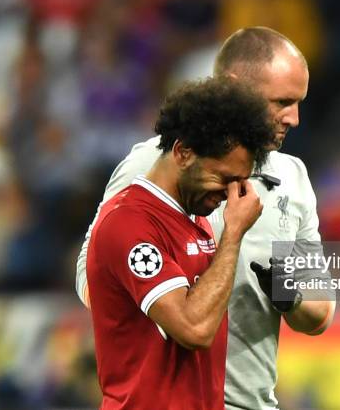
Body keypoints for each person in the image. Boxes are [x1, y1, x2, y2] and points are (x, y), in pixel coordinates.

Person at [78, 27, 336, 409]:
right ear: (236, 87)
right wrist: (168, 300)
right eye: (282, 101)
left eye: (299, 102)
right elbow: (92, 277)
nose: (294, 118)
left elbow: (320, 311)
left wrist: (288, 293)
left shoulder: (292, 178)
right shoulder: (156, 164)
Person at [87, 77, 274, 409]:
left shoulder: (196, 216)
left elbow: (318, 315)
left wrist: (295, 293)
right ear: (183, 152)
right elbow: (195, 329)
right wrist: (232, 235)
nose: (231, 194)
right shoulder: (128, 222)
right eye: (225, 179)